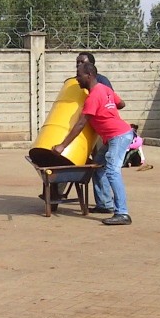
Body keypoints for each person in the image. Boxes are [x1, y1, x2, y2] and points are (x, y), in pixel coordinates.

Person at [53, 60, 133, 225]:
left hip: (118, 136)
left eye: (79, 76)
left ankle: (123, 213)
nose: (77, 79)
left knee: (112, 171)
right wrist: (108, 108)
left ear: (89, 75)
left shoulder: (94, 96)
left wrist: (62, 146)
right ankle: (104, 204)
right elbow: (121, 104)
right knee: (97, 166)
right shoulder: (105, 90)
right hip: (116, 135)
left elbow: (81, 124)